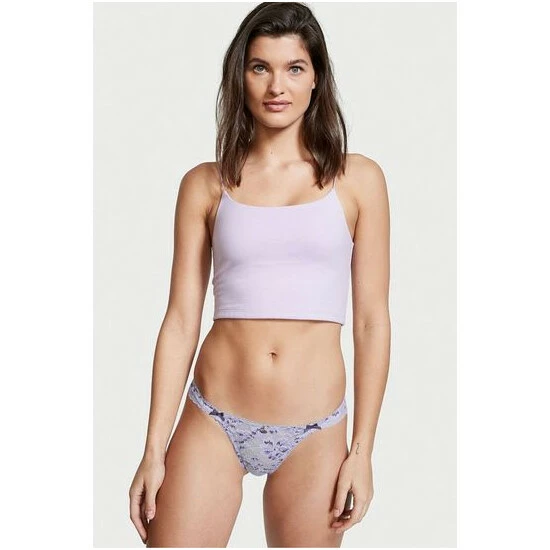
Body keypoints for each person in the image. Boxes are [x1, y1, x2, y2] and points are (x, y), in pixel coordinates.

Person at [129, 2, 391, 547]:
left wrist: (363, 451)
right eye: (260, 67)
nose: (277, 86)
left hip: (315, 431)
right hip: (213, 417)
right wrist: (152, 450)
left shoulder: (358, 180)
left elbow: (371, 321)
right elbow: (180, 321)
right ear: (241, 76)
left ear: (316, 76)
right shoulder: (205, 184)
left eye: (294, 68)